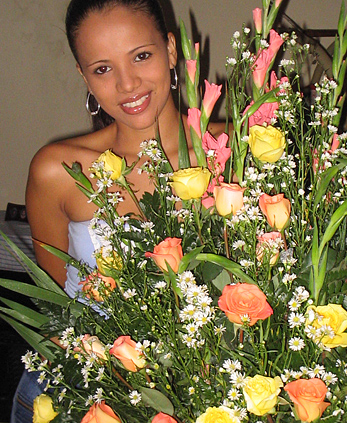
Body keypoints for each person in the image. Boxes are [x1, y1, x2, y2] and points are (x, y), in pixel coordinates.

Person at [11, 0, 226, 421]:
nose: (127, 84)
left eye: (141, 56)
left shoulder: (237, 151)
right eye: (102, 69)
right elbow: (61, 305)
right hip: (88, 398)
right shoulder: (59, 171)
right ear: (84, 75)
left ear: (169, 49)